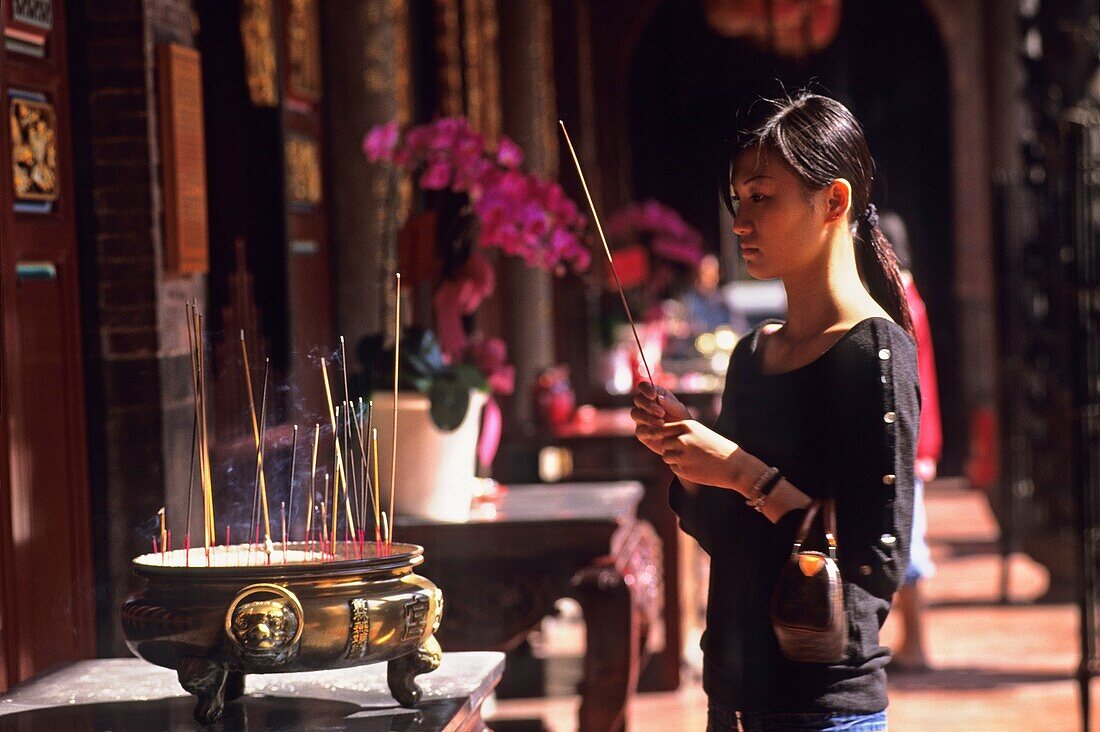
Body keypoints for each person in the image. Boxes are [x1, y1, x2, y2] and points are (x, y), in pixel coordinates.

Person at [631, 92, 919, 732]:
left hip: (819, 704)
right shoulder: (753, 353)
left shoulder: (875, 352)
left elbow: (876, 563)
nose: (741, 221)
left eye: (762, 197)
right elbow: (727, 537)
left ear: (833, 201)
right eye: (739, 201)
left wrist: (741, 472)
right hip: (730, 695)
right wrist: (684, 456)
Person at [878, 211, 942, 672]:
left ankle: (917, 645)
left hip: (910, 443)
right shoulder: (909, 298)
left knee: (909, 548)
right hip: (916, 442)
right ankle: (911, 642)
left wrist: (922, 448)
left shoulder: (903, 303)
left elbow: (918, 385)